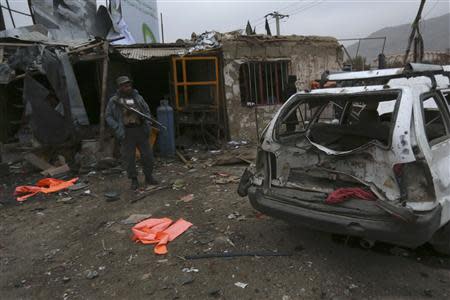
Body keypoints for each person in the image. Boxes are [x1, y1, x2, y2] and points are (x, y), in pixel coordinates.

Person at [105, 76, 158, 190]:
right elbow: (108, 116)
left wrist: (146, 121)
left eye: (129, 85)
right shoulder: (114, 100)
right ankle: (134, 180)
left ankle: (148, 176)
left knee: (147, 156)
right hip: (126, 132)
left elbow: (147, 111)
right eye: (125, 85)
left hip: (140, 130)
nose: (128, 87)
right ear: (120, 87)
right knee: (129, 158)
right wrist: (117, 126)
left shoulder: (138, 98)